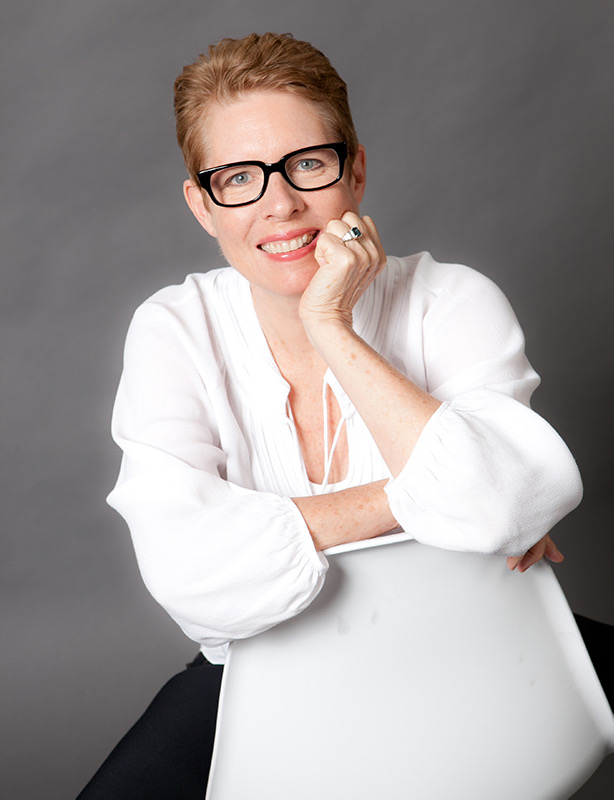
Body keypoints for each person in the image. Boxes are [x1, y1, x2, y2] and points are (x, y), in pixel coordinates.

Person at [77, 32, 607, 800]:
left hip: (488, 635)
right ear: (202, 205)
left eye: (308, 164)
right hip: (267, 669)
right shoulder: (174, 329)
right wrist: (433, 497)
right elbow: (188, 574)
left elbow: (498, 505)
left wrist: (331, 325)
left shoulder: (452, 300)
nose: (280, 204)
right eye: (238, 177)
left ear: (355, 169)